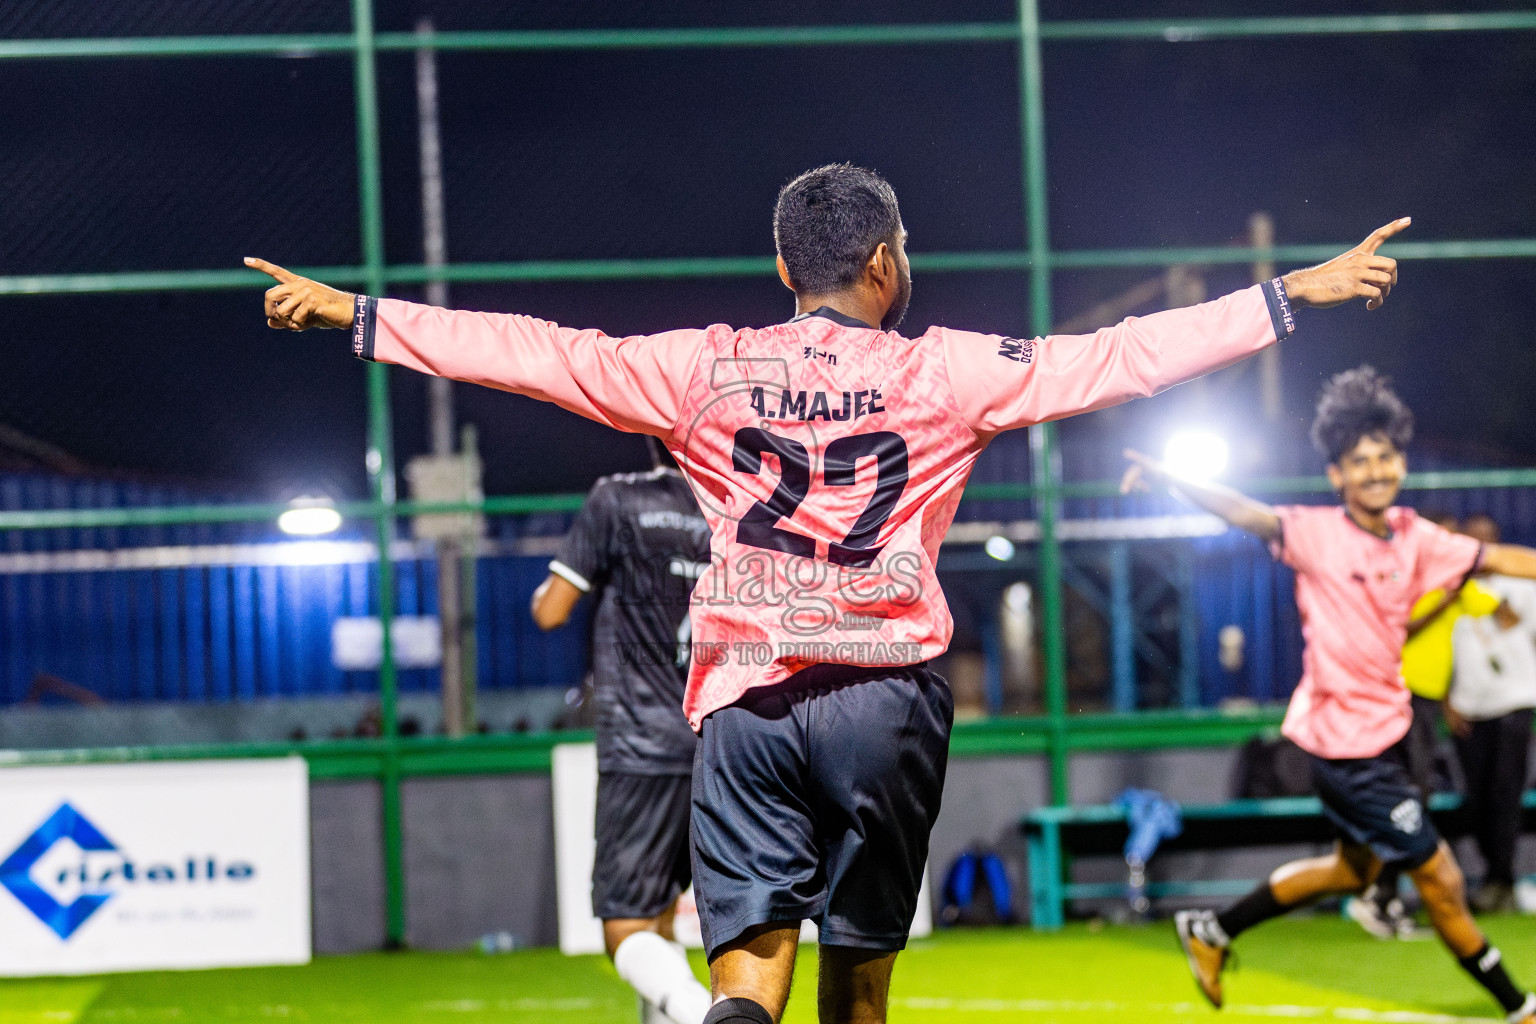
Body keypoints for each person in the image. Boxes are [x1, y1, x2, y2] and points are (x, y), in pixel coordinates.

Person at [247, 164, 1405, 1024]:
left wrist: (361, 315)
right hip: (888, 702)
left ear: (785, 271)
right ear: (886, 261)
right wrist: (1286, 295)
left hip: (746, 707)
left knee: (744, 978)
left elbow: (535, 350)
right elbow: (1119, 358)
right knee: (859, 983)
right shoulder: (945, 368)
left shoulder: (698, 367)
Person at [1124, 367, 1536, 1022]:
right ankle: (1519, 1007)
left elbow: (1500, 560)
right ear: (1337, 475)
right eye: (1358, 461)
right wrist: (1172, 477)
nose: (1374, 470)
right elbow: (1243, 510)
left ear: (1400, 462)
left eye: (1384, 457)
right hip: (1344, 750)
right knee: (1442, 880)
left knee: (1350, 873)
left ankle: (1213, 932)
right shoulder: (1312, 533)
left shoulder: (1418, 538)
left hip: (1390, 732)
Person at [531, 436, 714, 1024]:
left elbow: (550, 611)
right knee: (665, 916)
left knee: (626, 926)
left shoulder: (618, 499)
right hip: (723, 745)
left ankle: (698, 1011)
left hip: (640, 743)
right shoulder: (736, 508)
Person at [1349, 512, 1500, 940]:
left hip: (1428, 702)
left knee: (1415, 797)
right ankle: (1377, 897)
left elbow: (1500, 610)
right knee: (1407, 798)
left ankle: (1383, 896)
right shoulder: (1412, 581)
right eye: (1444, 537)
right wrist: (1446, 602)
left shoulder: (1457, 582)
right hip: (1401, 696)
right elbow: (1400, 631)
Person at [1446, 513, 1536, 914]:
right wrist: (1448, 701)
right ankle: (1492, 875)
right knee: (1476, 798)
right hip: (1468, 706)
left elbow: (1524, 630)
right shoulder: (1449, 587)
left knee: (1506, 794)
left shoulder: (1521, 582)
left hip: (1515, 701)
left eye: (1488, 539)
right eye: (1472, 539)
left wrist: (1499, 605)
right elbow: (1439, 653)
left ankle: (1502, 879)